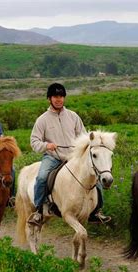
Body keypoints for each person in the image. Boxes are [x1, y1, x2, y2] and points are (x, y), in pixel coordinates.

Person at [27, 82, 111, 226]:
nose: (58, 99)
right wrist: (46, 145)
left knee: (95, 177)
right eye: (55, 96)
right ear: (49, 99)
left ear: (64, 98)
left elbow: (84, 137)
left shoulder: (73, 116)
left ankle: (96, 211)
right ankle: (39, 211)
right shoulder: (42, 120)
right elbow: (34, 141)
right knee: (41, 177)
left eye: (61, 96)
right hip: (53, 157)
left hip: (74, 157)